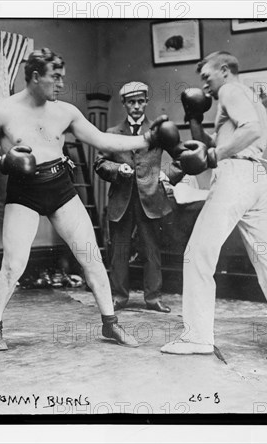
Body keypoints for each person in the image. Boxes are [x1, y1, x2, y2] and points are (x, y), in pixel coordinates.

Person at [0, 49, 178, 351]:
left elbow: (103, 140)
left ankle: (111, 324)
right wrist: (1, 163)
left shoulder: (66, 111)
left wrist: (148, 139)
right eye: (56, 77)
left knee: (92, 258)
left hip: (60, 187)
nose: (62, 83)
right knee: (13, 266)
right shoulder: (3, 111)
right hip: (24, 190)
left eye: (63, 77)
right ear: (36, 77)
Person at [161, 51, 267, 355]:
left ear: (225, 70)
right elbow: (211, 143)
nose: (205, 86)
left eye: (207, 77)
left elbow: (248, 132)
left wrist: (216, 156)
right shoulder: (247, 96)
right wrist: (193, 117)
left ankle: (197, 337)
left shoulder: (230, 90)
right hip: (255, 179)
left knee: (197, 254)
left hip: (234, 178)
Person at [94, 81, 176, 313]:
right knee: (119, 251)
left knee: (152, 251)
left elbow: (181, 156)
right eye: (132, 102)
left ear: (147, 102)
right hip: (122, 198)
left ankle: (153, 298)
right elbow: (99, 163)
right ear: (124, 104)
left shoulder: (160, 131)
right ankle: (119, 298)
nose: (137, 106)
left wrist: (167, 175)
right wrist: (117, 170)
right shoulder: (111, 133)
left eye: (141, 101)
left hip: (151, 199)